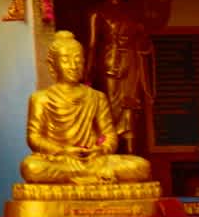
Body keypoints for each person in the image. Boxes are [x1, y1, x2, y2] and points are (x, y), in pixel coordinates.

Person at [20, 31, 154, 184]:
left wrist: (100, 149)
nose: (73, 66)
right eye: (65, 60)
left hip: (94, 160)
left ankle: (80, 177)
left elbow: (110, 136)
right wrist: (62, 151)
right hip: (61, 160)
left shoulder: (97, 97)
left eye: (78, 60)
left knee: (141, 166)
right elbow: (34, 138)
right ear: (53, 65)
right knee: (32, 168)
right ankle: (92, 178)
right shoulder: (41, 98)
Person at [85, 0, 154, 155]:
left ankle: (131, 153)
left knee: (130, 106)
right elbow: (92, 45)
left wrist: (144, 46)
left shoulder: (133, 12)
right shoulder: (97, 12)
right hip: (110, 63)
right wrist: (87, 73)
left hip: (132, 63)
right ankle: (109, 152)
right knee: (110, 107)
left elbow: (144, 40)